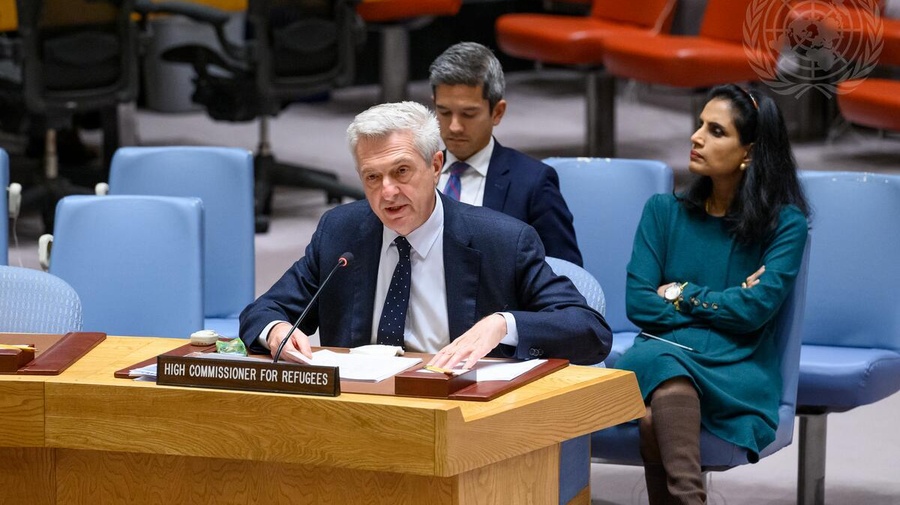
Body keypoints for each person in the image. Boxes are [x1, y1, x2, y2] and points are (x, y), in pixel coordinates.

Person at [239, 101, 611, 370]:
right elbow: (263, 312)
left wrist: (503, 324)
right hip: (358, 412)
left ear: (435, 167)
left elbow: (590, 332)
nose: (387, 192)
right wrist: (277, 331)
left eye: (401, 172)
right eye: (372, 177)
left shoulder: (502, 241)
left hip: (461, 414)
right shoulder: (341, 231)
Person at [614, 84, 809, 504]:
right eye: (699, 124)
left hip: (738, 366)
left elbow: (755, 311)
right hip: (666, 353)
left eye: (716, 131)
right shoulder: (662, 212)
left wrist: (681, 292)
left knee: (653, 419)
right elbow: (638, 303)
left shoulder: (785, 225)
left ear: (750, 153)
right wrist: (724, 304)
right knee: (668, 369)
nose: (696, 137)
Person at [428, 42, 583, 266]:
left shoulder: (533, 184)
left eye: (468, 114)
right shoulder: (416, 172)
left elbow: (567, 273)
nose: (454, 127)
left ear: (497, 112)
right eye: (444, 112)